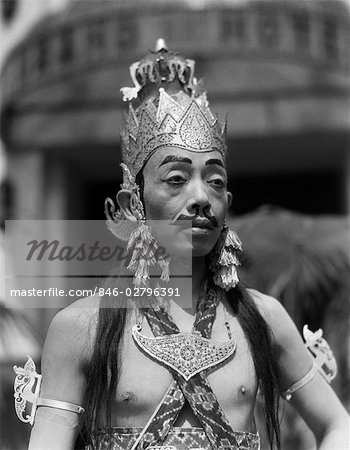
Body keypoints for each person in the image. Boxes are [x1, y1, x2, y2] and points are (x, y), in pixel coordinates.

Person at [14, 40, 348, 450]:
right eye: (176, 179)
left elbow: (339, 426)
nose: (201, 198)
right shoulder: (83, 327)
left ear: (228, 204)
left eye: (216, 181)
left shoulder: (263, 318)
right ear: (132, 202)